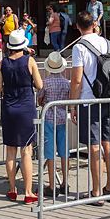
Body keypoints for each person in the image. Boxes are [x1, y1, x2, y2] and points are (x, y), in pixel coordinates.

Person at [70, 11, 110, 206]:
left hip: (89, 100)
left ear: (77, 26)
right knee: (109, 142)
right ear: (94, 24)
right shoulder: (109, 44)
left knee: (94, 145)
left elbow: (76, 79)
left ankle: (96, 192)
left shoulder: (79, 47)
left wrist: (72, 104)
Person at [0, 29, 43, 204]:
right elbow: (39, 84)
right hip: (26, 107)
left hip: (9, 107)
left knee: (10, 151)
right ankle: (29, 191)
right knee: (26, 151)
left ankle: (12, 189)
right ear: (23, 45)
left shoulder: (3, 62)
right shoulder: (29, 61)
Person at [37, 50, 71, 196]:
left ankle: (51, 185)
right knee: (64, 152)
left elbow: (40, 99)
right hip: (63, 117)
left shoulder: (46, 82)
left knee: (50, 153)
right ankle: (65, 182)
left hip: (49, 117)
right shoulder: (66, 83)